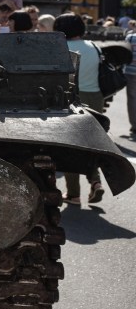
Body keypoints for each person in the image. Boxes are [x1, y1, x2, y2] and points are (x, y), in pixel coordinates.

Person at [53, 12, 105, 205]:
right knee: (91, 144)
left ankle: (73, 194)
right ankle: (95, 181)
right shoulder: (94, 46)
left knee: (71, 146)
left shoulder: (59, 47)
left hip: (71, 98)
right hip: (95, 97)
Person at [125, 21, 136, 139]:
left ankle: (135, 125)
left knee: (132, 99)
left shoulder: (130, 37)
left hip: (131, 71)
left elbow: (126, 55)